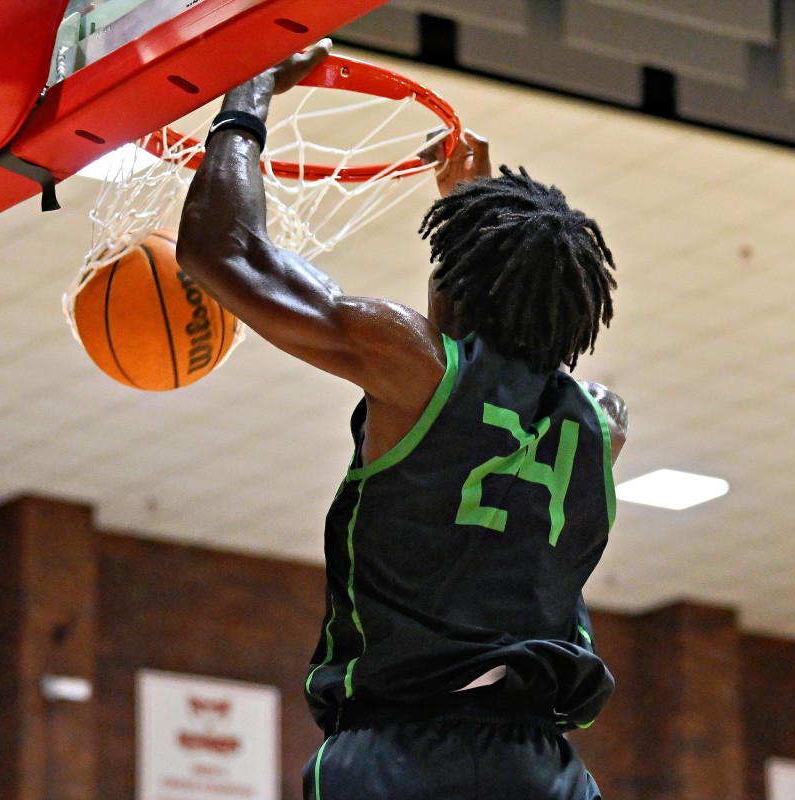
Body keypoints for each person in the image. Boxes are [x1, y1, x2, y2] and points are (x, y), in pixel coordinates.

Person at [177, 39, 627, 800]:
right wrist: (467, 210)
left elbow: (224, 250)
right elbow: (489, 377)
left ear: (465, 279)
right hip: (541, 771)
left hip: (401, 754)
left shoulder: (410, 362)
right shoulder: (604, 424)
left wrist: (246, 92)